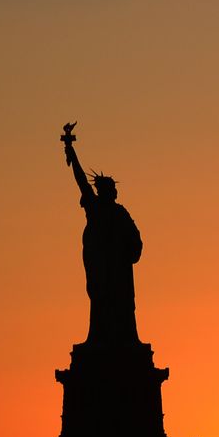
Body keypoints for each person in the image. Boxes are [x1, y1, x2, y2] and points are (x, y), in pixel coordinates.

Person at [62, 123, 143, 345]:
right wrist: (70, 149)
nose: (114, 193)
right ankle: (103, 339)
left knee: (122, 306)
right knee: (102, 304)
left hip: (119, 271)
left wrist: (130, 250)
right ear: (104, 191)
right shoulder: (96, 208)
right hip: (104, 270)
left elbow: (135, 239)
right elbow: (80, 180)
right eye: (110, 190)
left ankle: (125, 339)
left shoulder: (120, 212)